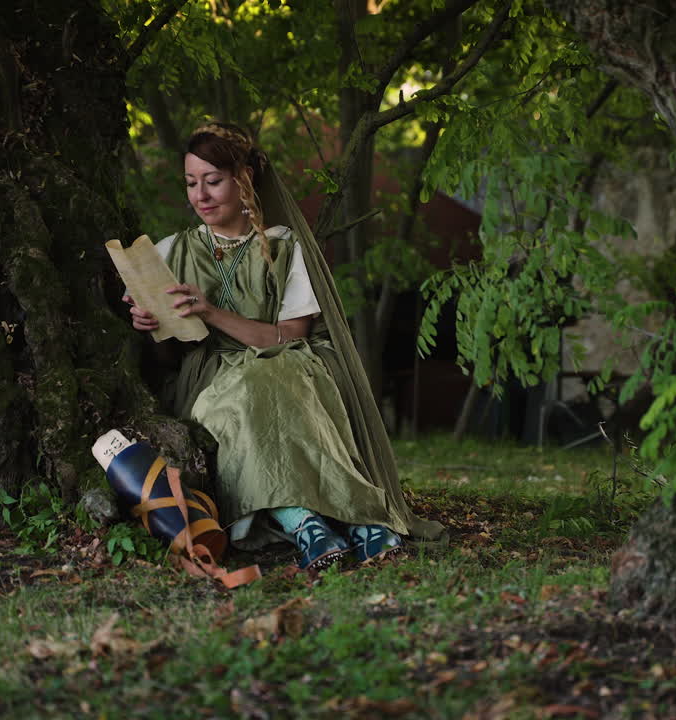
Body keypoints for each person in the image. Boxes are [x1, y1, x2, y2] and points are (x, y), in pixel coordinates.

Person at [123, 122, 442, 570]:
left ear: (245, 179)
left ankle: (343, 520)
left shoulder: (285, 248)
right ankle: (308, 522)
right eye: (191, 183)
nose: (200, 195)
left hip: (285, 359)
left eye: (213, 181)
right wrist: (147, 322)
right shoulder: (171, 250)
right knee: (246, 398)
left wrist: (211, 312)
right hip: (212, 375)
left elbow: (291, 335)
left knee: (279, 385)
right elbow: (165, 356)